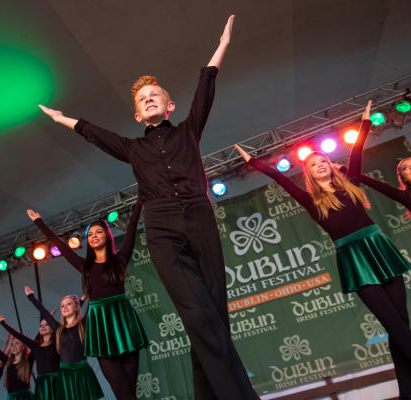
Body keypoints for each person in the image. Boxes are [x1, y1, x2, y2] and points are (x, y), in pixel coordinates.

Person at [38, 15, 258, 399]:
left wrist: (222, 45)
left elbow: (207, 87)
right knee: (197, 314)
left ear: (170, 105)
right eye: (142, 99)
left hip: (200, 218)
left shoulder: (189, 130)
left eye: (155, 94)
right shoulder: (132, 148)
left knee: (213, 317)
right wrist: (63, 120)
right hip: (162, 228)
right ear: (138, 114)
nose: (149, 98)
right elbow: (96, 135)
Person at [234, 100, 411, 400]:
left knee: (401, 327)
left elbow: (356, 151)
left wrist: (364, 122)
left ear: (330, 165)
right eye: (313, 163)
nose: (320, 164)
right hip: (354, 257)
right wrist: (252, 161)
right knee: (394, 325)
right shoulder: (310, 200)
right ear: (310, 174)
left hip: (379, 246)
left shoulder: (351, 183)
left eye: (324, 160)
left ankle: (407, 392)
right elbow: (277, 176)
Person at [27, 200, 148, 400]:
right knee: (121, 390)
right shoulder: (85, 266)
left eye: (98, 232)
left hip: (123, 324)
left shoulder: (120, 259)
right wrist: (39, 222)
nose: (93, 236)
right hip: (100, 327)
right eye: (90, 234)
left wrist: (141, 197)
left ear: (107, 236)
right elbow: (60, 245)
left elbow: (133, 226)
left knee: (129, 390)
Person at [354, 156, 411, 264]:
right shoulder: (406, 197)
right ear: (404, 178)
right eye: (405, 168)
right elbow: (373, 183)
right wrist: (342, 169)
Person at [26, 293, 103, 400]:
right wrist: (31, 296)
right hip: (65, 374)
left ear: (76, 307)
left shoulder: (83, 325)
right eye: (62, 306)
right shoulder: (58, 329)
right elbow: (44, 312)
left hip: (82, 371)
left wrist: (91, 288)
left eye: (68, 304)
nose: (65, 307)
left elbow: (92, 304)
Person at [0, 311, 61, 400]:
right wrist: (3, 323)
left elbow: (66, 329)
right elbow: (18, 335)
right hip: (42, 383)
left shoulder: (57, 343)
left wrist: (49, 317)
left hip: (56, 380)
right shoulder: (36, 346)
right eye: (40, 326)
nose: (42, 327)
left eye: (46, 325)